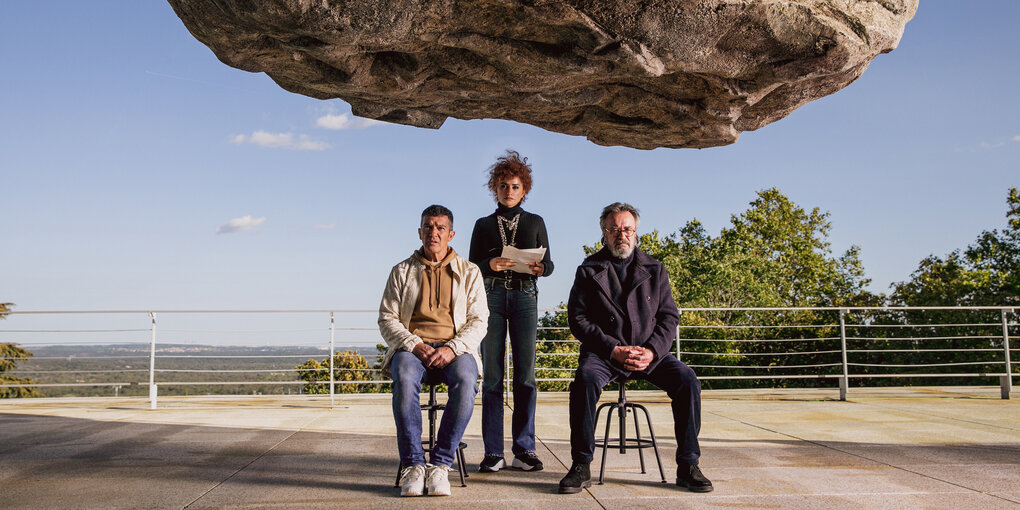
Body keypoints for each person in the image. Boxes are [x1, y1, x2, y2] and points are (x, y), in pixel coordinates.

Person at [558, 202, 713, 494]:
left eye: (627, 229)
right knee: (584, 380)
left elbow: (669, 317)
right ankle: (581, 465)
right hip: (604, 355)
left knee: (687, 380)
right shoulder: (588, 270)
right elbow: (578, 319)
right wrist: (613, 349)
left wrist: (653, 350)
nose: (622, 235)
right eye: (615, 229)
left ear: (636, 232)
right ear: (604, 233)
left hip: (649, 353)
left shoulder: (655, 269)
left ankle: (688, 465)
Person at [378, 204, 488, 497]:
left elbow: (479, 320)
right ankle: (413, 464)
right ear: (420, 232)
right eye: (428, 227)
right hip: (413, 350)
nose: (434, 233)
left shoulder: (470, 272)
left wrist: (453, 348)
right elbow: (387, 317)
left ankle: (440, 464)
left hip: (456, 350)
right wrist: (414, 344)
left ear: (451, 234)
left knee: (467, 380)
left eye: (440, 228)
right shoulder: (401, 271)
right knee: (402, 374)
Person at [469, 150, 554, 473]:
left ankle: (524, 448)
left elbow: (551, 264)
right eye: (503, 186)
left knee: (526, 377)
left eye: (515, 186)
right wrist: (489, 264)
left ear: (525, 189)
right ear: (495, 188)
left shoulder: (535, 222)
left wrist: (539, 267)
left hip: (525, 299)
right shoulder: (483, 224)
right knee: (492, 377)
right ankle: (493, 451)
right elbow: (471, 265)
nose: (509, 191)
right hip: (490, 298)